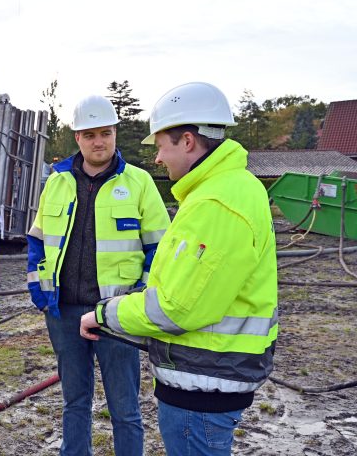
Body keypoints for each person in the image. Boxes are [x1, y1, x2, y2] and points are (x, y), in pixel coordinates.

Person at [80, 82, 278, 456]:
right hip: (211, 374)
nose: (157, 158)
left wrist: (106, 313)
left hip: (203, 383)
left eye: (160, 146)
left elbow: (178, 307)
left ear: (188, 141)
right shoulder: (229, 189)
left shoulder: (216, 203)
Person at [27, 95, 171, 456]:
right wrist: (41, 295)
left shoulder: (138, 183)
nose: (98, 142)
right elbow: (37, 241)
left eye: (105, 133)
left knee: (124, 407)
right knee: (74, 400)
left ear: (115, 133)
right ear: (77, 137)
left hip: (117, 313)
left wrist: (139, 299)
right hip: (65, 312)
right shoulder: (57, 182)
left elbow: (161, 248)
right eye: (89, 134)